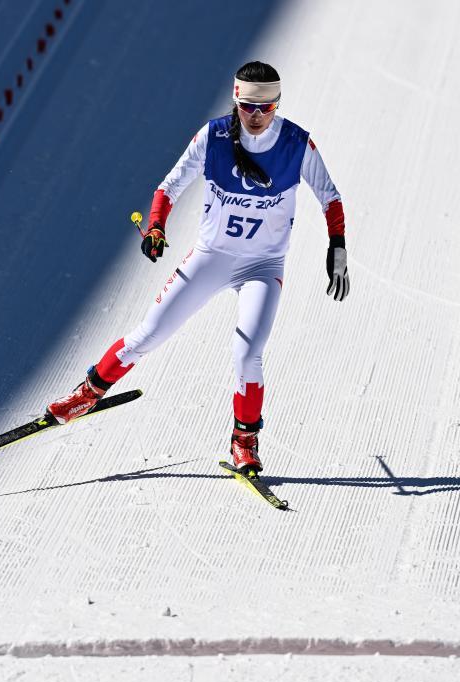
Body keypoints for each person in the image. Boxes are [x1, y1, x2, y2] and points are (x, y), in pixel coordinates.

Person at [46, 60, 348, 473]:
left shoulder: (298, 144)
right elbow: (169, 186)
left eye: (268, 108)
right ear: (236, 101)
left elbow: (330, 198)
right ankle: (87, 393)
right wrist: (155, 226)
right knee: (148, 334)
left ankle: (245, 439)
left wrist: (338, 246)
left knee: (248, 352)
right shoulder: (214, 137)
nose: (258, 117)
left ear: (278, 105)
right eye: (248, 107)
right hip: (211, 257)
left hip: (263, 265)